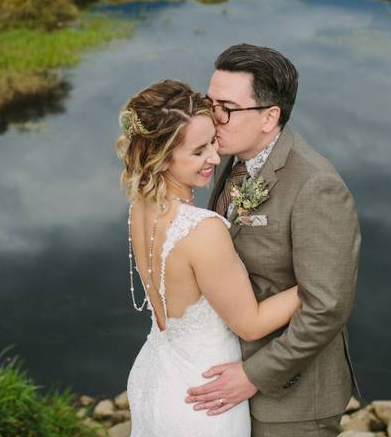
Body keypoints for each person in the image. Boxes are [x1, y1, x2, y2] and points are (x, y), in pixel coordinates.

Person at [185, 43, 361, 437]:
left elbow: (327, 307)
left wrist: (253, 375)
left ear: (270, 117)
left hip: (292, 399)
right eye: (209, 103)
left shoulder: (317, 187)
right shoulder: (228, 159)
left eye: (226, 108)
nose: (213, 119)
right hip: (229, 369)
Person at [117, 79, 301, 437]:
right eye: (198, 151)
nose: (215, 158)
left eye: (213, 142)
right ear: (162, 155)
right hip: (204, 399)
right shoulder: (203, 230)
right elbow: (250, 323)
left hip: (155, 379)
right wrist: (314, 286)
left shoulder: (140, 206)